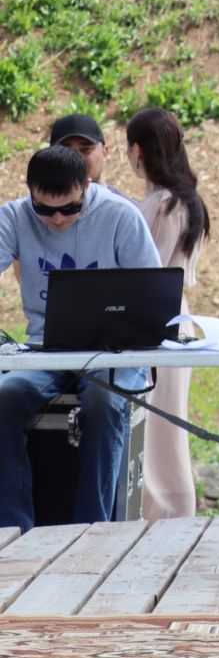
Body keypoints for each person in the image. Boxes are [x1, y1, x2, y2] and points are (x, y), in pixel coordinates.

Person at [0, 145, 162, 530]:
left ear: (87, 187)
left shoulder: (121, 216)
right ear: (30, 191)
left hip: (115, 351)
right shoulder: (13, 217)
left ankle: (91, 530)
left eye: (69, 209)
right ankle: (12, 528)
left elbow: (153, 291)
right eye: (45, 209)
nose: (56, 220)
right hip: (45, 350)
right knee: (4, 398)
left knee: (105, 402)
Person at [125, 107, 210, 521]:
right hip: (174, 318)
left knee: (160, 427)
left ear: (136, 150)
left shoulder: (164, 203)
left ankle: (170, 513)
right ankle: (167, 511)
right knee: (164, 424)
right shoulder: (180, 200)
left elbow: (148, 267)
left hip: (160, 322)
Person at [49, 113, 134, 202]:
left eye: (85, 150)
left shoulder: (126, 212)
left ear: (104, 152)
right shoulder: (35, 211)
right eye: (65, 151)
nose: (75, 158)